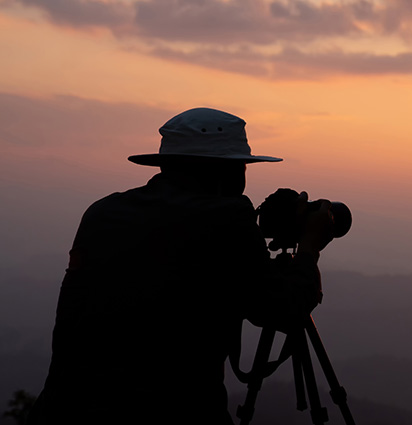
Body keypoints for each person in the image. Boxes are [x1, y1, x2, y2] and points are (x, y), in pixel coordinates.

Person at [28, 108, 332, 424]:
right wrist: (309, 246)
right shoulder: (226, 219)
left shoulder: (102, 213)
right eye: (242, 166)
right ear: (225, 172)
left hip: (64, 407)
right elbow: (286, 309)